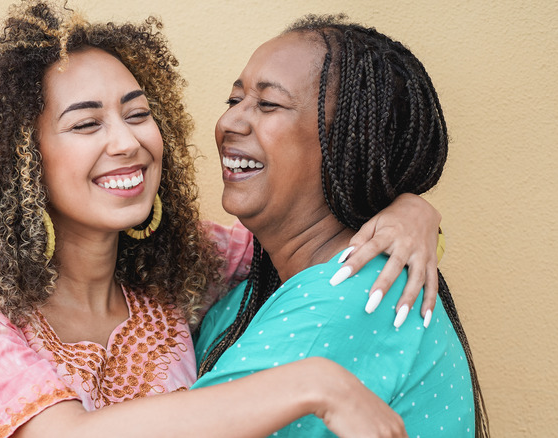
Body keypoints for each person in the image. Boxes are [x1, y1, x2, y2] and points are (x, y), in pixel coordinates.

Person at [0, 3, 441, 437]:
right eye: (86, 125)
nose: (127, 142)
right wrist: (314, 384)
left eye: (137, 114)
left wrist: (410, 208)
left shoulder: (180, 268)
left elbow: (303, 238)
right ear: (21, 160)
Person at [193, 14, 490, 438]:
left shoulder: (357, 296)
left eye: (268, 103)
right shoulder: (249, 289)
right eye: (234, 100)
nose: (230, 123)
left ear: (350, 139)